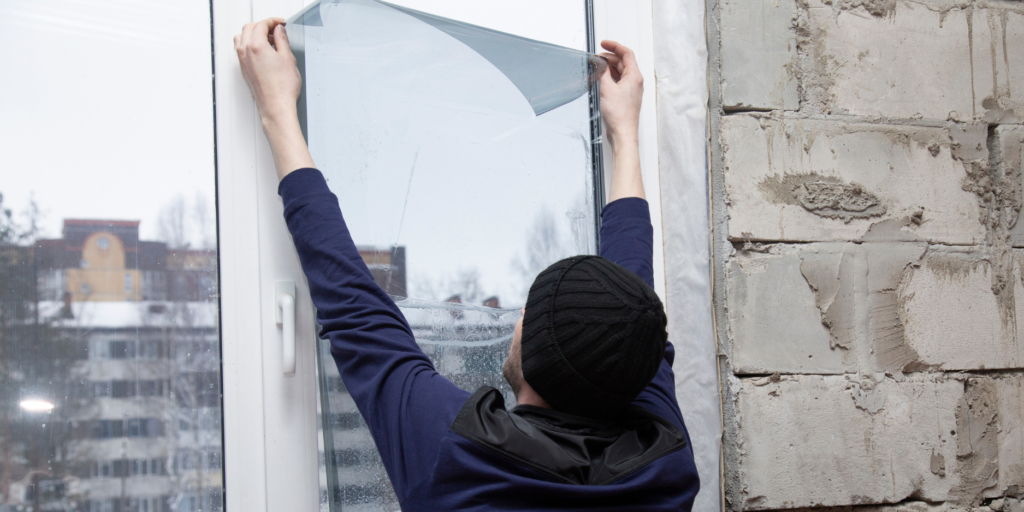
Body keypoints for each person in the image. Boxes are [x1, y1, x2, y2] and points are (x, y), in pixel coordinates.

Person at [234, 16, 699, 511]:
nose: (518, 318)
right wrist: (625, 135)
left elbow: (355, 309)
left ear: (535, 354)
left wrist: (277, 110)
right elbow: (629, 294)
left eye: (529, 315)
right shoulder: (664, 462)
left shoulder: (457, 454)